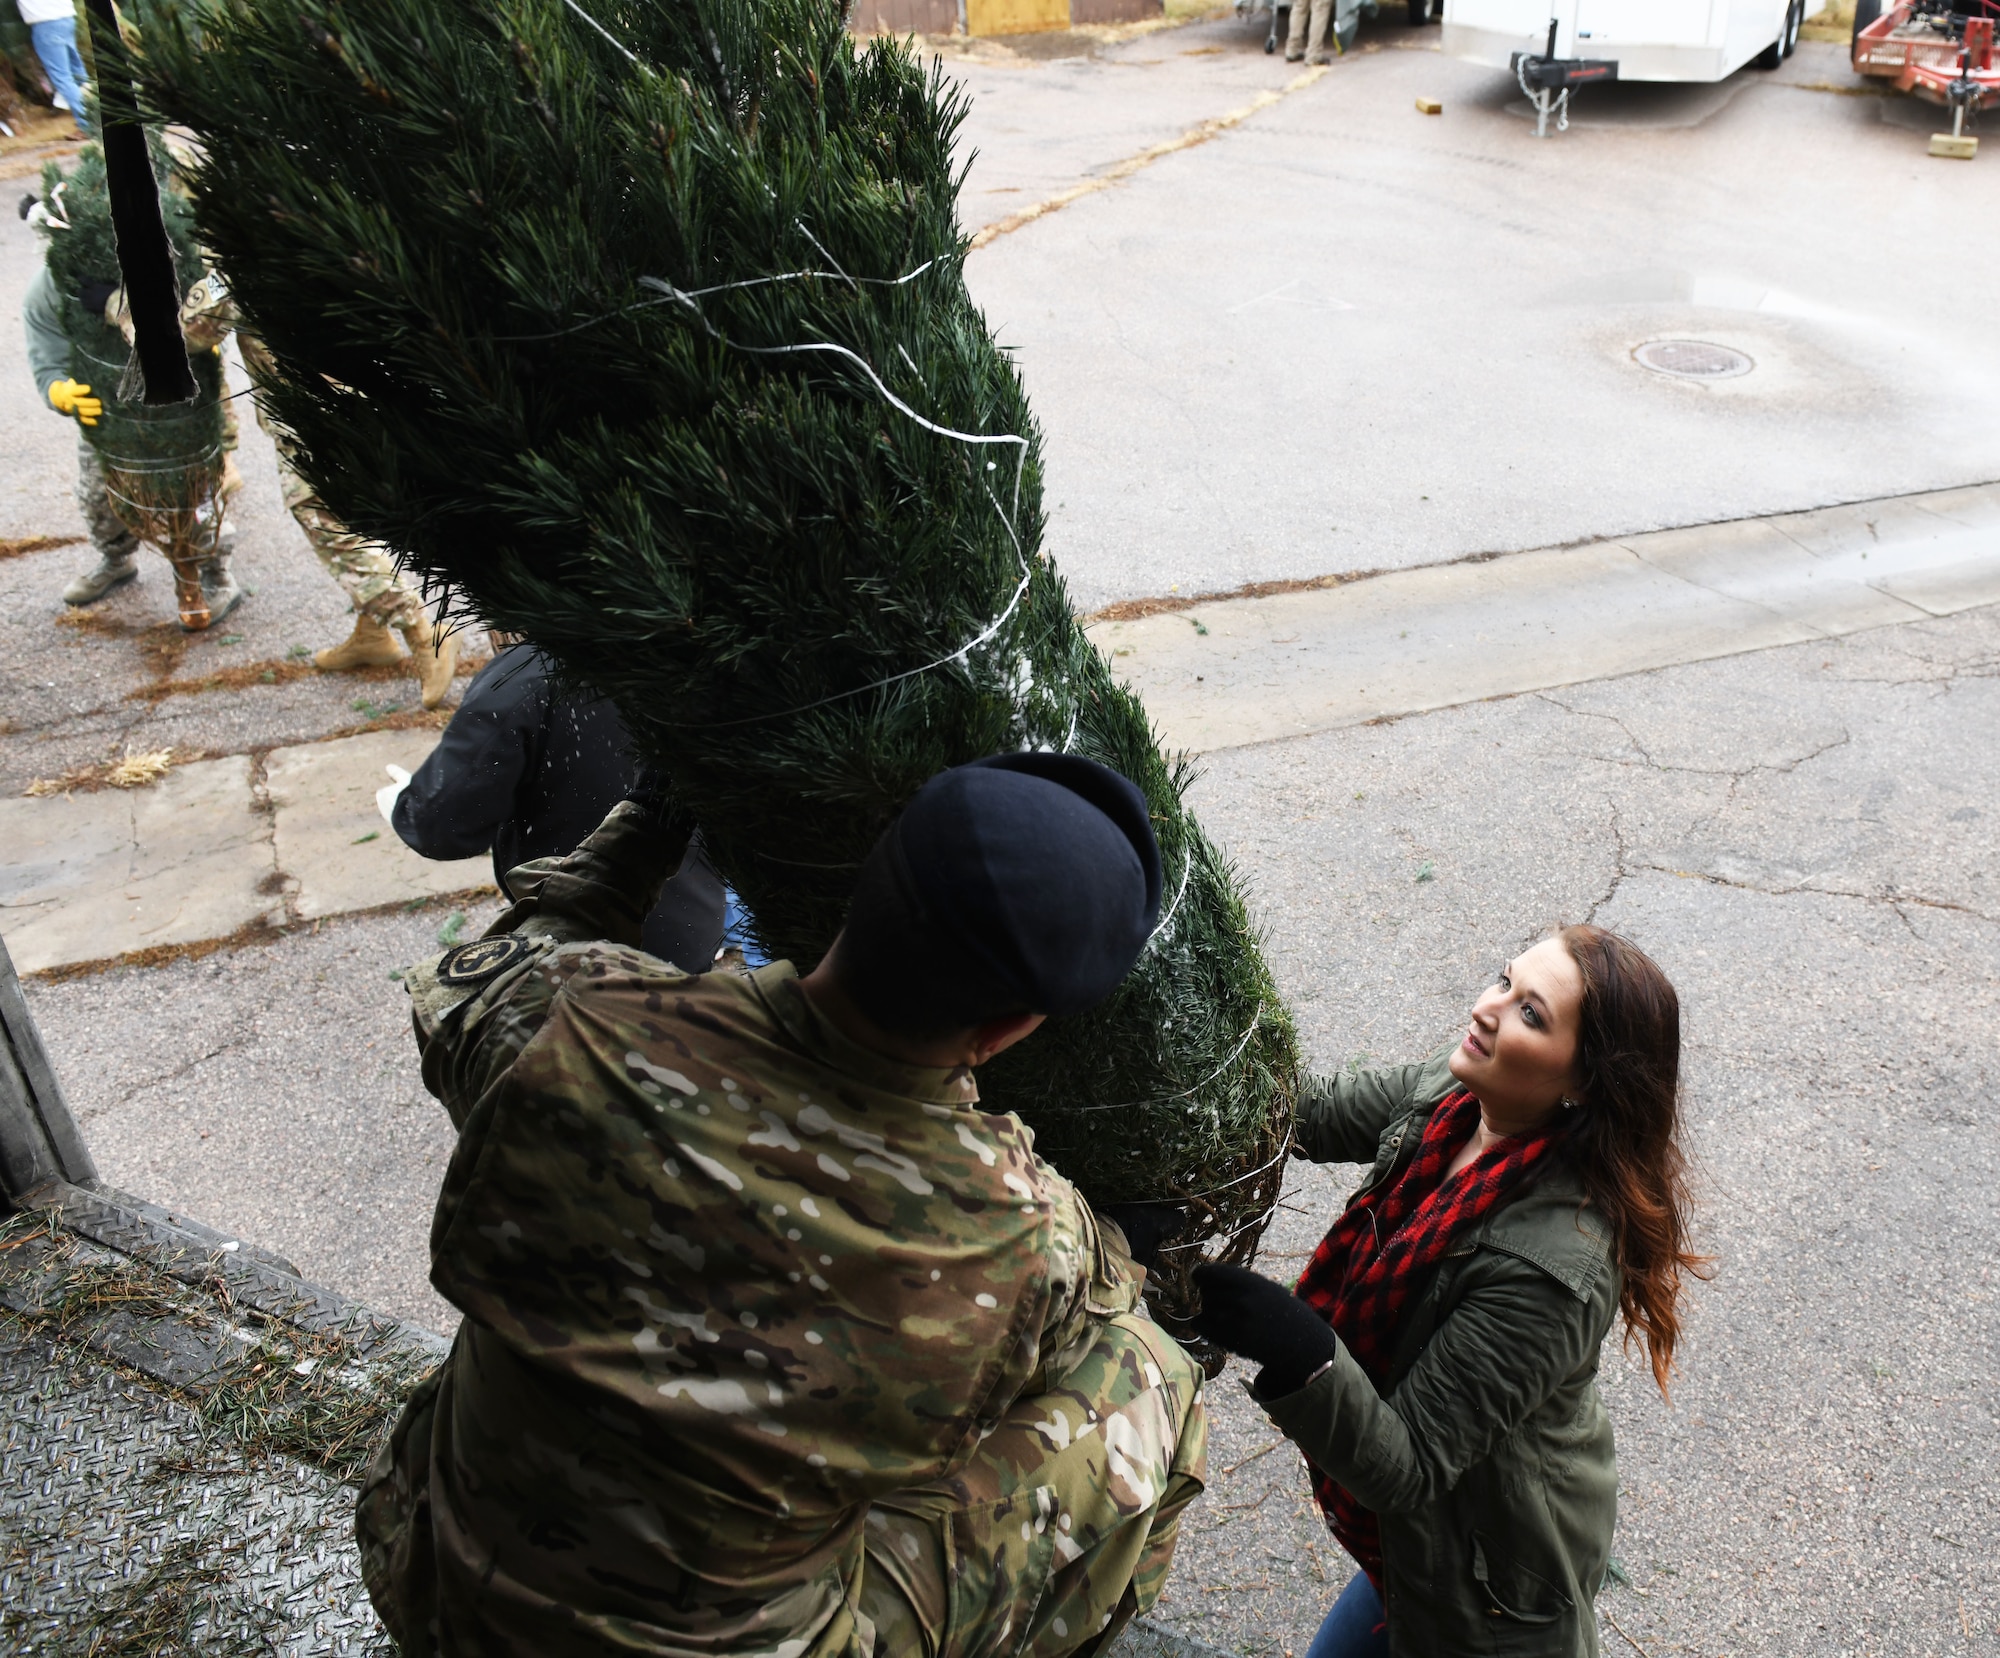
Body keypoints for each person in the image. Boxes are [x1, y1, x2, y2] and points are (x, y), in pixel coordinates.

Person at [359, 752, 1209, 1658]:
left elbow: (489, 974)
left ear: (860, 892)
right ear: (1006, 1031)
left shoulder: (578, 1019)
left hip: (443, 1577)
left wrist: (638, 835)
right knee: (1154, 1376)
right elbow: (1089, 1299)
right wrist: (1122, 1242)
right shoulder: (1014, 1237)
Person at [1192, 927, 1706, 1658]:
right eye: (1503, 980)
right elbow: (1309, 1113)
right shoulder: (1455, 1095)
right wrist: (1186, 1108)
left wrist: (1295, 1344)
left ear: (1584, 1082)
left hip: (1491, 1593)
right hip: (1419, 1552)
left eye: (1531, 1014)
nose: (1486, 1009)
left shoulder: (1555, 1267)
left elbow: (1405, 1467)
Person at [382, 639, 728, 973]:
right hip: (692, 918)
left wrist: (408, 806)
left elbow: (442, 825)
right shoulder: (687, 644)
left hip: (581, 939)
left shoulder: (528, 675)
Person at [234, 330, 458, 706]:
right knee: (348, 517)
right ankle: (373, 633)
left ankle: (420, 629)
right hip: (345, 397)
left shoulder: (233, 271)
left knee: (325, 525)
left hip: (306, 416)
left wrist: (114, 305)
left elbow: (193, 332)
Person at [17, 0, 89, 138]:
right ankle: (99, 117)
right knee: (78, 73)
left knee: (63, 78)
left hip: (46, 24)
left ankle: (86, 125)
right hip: (67, 18)